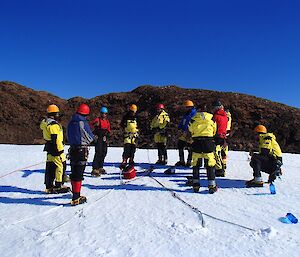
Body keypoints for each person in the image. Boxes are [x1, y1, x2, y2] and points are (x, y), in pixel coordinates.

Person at [67, 103, 94, 205]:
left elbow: (68, 136)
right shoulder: (82, 123)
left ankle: (75, 193)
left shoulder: (70, 122)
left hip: (72, 149)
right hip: (81, 150)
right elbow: (89, 137)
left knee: (74, 172)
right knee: (79, 173)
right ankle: (76, 197)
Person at [40, 104, 70, 194]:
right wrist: (58, 150)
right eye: (57, 113)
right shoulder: (53, 125)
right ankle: (58, 185)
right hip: (56, 148)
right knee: (60, 166)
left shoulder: (45, 123)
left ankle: (48, 186)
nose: (58, 115)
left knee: (50, 166)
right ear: (53, 114)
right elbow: (55, 138)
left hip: (49, 147)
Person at [188, 108, 218, 194]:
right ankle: (212, 185)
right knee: (210, 164)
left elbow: (190, 130)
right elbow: (214, 131)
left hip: (197, 143)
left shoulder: (193, 120)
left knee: (196, 164)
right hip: (208, 143)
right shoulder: (211, 120)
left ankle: (196, 185)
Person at [90, 106, 111, 176]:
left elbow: (108, 130)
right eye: (103, 113)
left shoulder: (107, 121)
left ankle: (100, 167)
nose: (104, 115)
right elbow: (90, 126)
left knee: (104, 152)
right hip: (98, 137)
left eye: (105, 114)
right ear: (101, 113)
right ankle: (95, 168)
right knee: (98, 152)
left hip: (104, 137)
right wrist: (94, 133)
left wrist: (108, 137)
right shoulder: (97, 120)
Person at [175, 100, 196, 167]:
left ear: (190, 107)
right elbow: (182, 122)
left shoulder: (194, 114)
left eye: (186, 107)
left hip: (190, 133)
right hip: (183, 133)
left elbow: (192, 124)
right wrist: (179, 128)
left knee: (190, 148)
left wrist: (189, 132)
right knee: (180, 145)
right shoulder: (186, 114)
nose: (185, 108)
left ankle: (189, 161)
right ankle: (182, 161)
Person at [119, 104, 139, 170]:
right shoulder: (126, 117)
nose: (133, 113)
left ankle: (131, 160)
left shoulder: (136, 117)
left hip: (134, 135)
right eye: (132, 111)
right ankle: (124, 161)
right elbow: (121, 124)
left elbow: (139, 125)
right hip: (127, 135)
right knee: (127, 148)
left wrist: (137, 132)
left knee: (133, 148)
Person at [212, 100, 228, 177]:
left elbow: (212, 126)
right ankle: (223, 167)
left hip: (217, 136)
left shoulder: (215, 116)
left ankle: (219, 170)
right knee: (222, 152)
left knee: (216, 152)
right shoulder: (225, 116)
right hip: (223, 136)